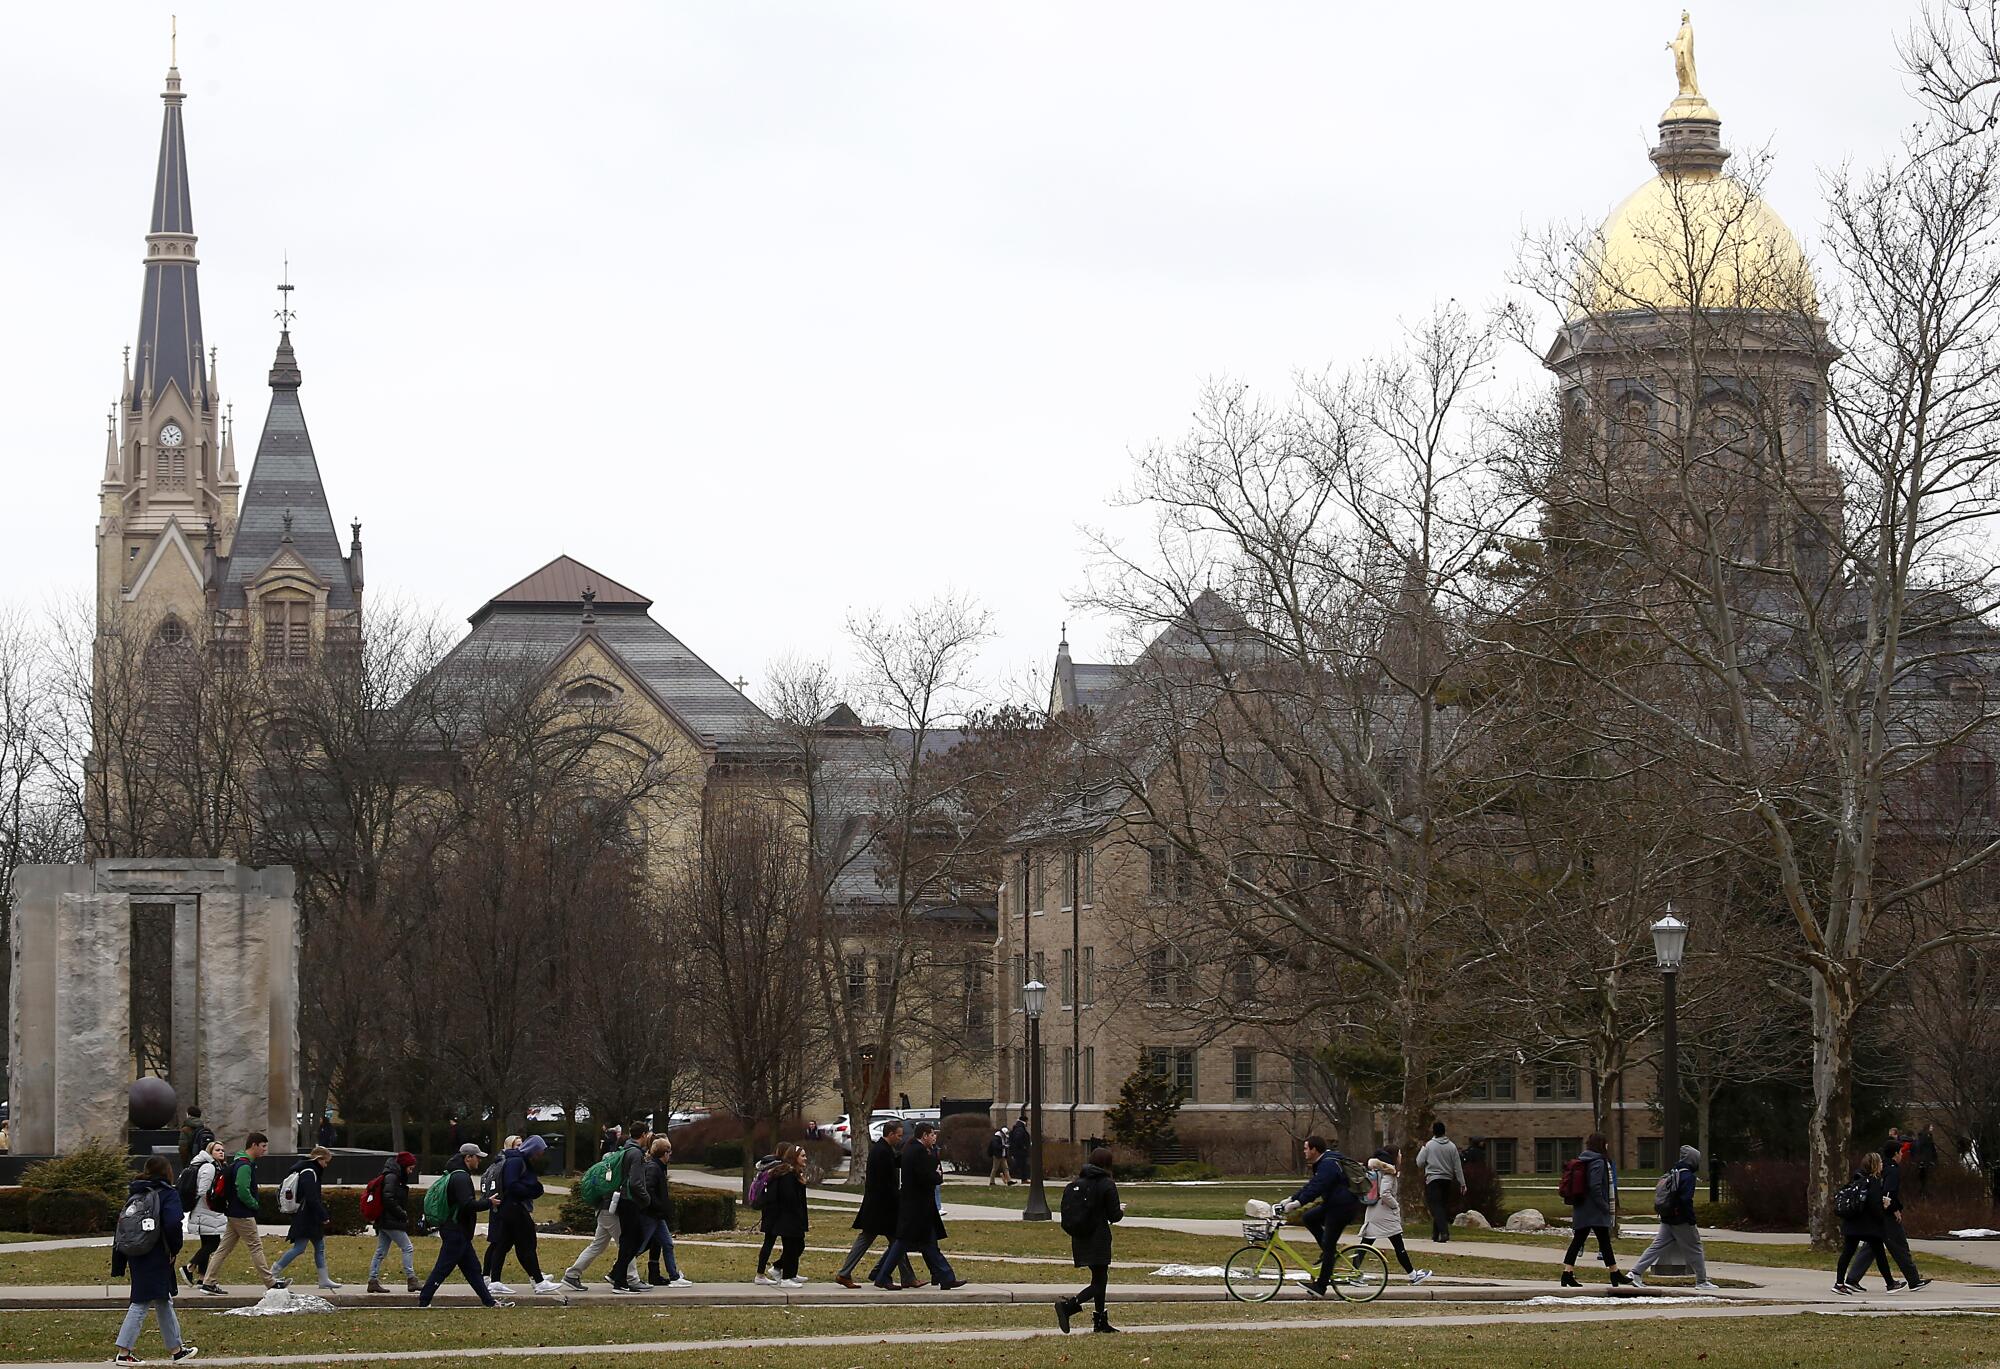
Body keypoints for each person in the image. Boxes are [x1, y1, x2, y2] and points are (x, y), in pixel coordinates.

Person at [111, 1155, 197, 1365]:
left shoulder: (137, 1192)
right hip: (157, 1253)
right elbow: (172, 1224)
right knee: (141, 1301)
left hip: (137, 1251)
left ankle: (176, 1349)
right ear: (167, 1172)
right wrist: (174, 1248)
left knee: (162, 1299)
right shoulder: (168, 1193)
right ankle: (124, 1352)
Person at [419, 1143, 512, 1308]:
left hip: (457, 1231)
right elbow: (467, 1204)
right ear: (468, 1157)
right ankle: (424, 1300)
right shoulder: (461, 1177)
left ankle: (489, 1302)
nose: (479, 1161)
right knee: (442, 1269)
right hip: (456, 1231)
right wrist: (488, 1203)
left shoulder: (455, 1174)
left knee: (473, 1270)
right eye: (477, 1157)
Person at [875, 1121, 964, 1290]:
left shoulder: (911, 1148)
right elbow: (927, 1177)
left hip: (917, 1207)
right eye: (932, 1134)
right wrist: (938, 1176)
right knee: (902, 1243)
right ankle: (882, 1275)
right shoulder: (919, 1152)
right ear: (924, 1135)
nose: (934, 1137)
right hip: (917, 1208)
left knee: (928, 1243)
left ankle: (946, 1277)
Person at [1273, 1135, 1361, 1298]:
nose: (1304, 1151)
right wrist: (1292, 1198)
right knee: (1309, 1218)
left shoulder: (1328, 1164)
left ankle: (1320, 1286)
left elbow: (1318, 1188)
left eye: (1306, 1148)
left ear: (1314, 1149)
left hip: (1343, 1207)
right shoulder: (1325, 1161)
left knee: (1328, 1244)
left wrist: (1298, 1203)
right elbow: (1312, 1185)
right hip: (1334, 1204)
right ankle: (1330, 1252)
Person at [836, 1119, 915, 1289]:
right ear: (891, 1134)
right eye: (899, 1136)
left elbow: (896, 1163)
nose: (900, 1139)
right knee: (889, 1240)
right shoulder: (881, 1151)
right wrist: (899, 1199)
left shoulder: (884, 1149)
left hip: (880, 1206)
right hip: (881, 1207)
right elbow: (885, 1182)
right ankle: (848, 1273)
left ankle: (906, 1276)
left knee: (893, 1241)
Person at [1054, 1145, 1124, 1334]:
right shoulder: (1107, 1184)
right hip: (1098, 1238)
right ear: (1108, 1164)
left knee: (1099, 1278)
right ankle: (1069, 1306)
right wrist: (1122, 1210)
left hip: (1080, 1237)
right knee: (1099, 1282)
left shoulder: (1079, 1182)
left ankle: (1100, 1321)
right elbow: (1115, 1215)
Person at [1628, 1145, 1716, 1291]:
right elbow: (1686, 1200)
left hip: (1667, 1216)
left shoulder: (1673, 1172)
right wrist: (1691, 1219)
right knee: (1696, 1248)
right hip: (1681, 1219)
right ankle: (1701, 1281)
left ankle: (1635, 1273)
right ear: (1692, 1160)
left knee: (1657, 1246)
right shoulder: (1688, 1176)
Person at [561, 1124, 636, 1292]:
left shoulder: (609, 1161)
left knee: (598, 1245)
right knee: (626, 1244)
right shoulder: (621, 1162)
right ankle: (631, 1277)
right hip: (610, 1209)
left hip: (603, 1208)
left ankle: (572, 1275)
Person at [482, 1135, 558, 1296]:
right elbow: (512, 1184)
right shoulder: (517, 1161)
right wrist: (533, 1190)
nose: (541, 1154)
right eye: (540, 1151)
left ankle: (495, 1281)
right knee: (527, 1243)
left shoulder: (514, 1160)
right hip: (515, 1208)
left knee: (503, 1244)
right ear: (534, 1149)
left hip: (508, 1208)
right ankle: (538, 1281)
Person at [202, 1132, 274, 1293]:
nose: (265, 1150)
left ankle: (208, 1282)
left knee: (223, 1249)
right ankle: (271, 1283)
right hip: (243, 1213)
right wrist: (254, 1204)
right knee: (256, 1247)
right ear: (254, 1145)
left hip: (233, 1212)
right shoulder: (245, 1166)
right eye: (263, 1146)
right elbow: (242, 1190)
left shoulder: (238, 1162)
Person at [1559, 1133, 1631, 1288]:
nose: (1608, 1146)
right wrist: (1604, 1206)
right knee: (1602, 1241)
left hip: (1583, 1207)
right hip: (1594, 1210)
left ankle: (1568, 1273)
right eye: (1606, 1143)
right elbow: (1595, 1186)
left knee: (1583, 1240)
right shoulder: (1598, 1162)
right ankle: (1614, 1273)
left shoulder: (1585, 1159)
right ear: (1601, 1144)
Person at [1361, 1146, 1433, 1286]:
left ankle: (1354, 1272)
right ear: (1394, 1156)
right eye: (1400, 1154)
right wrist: (1395, 1205)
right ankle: (1413, 1275)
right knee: (1398, 1244)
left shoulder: (1376, 1169)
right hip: (1385, 1214)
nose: (1401, 1157)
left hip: (1373, 1211)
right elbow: (1385, 1193)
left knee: (1366, 1244)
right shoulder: (1389, 1171)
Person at [269, 1147, 339, 1290]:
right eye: (326, 1162)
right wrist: (323, 1216)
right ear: (319, 1159)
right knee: (299, 1248)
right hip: (307, 1216)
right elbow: (312, 1198)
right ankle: (272, 1272)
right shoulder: (309, 1172)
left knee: (319, 1247)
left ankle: (324, 1279)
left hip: (308, 1215)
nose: (326, 1165)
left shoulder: (305, 1170)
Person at [1836, 1150, 1900, 1294]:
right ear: (1876, 1165)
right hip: (1868, 1226)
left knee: (1848, 1253)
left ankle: (1839, 1282)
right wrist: (1884, 1206)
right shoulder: (1874, 1182)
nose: (1883, 1165)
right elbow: (1874, 1206)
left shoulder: (1858, 1178)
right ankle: (1890, 1283)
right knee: (1879, 1253)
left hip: (1853, 1223)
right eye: (1881, 1163)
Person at [607, 1121, 656, 1293]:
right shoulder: (636, 1154)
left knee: (630, 1240)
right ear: (643, 1135)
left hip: (624, 1200)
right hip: (630, 1201)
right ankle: (618, 1279)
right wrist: (646, 1199)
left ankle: (617, 1274)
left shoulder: (626, 1149)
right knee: (634, 1240)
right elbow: (636, 1182)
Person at [1878, 1142, 1930, 1290]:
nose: (1902, 1155)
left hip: (1877, 1213)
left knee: (1872, 1247)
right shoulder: (1893, 1170)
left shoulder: (1882, 1167)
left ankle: (1851, 1279)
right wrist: (1894, 1209)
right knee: (1900, 1246)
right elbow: (1889, 1193)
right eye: (1900, 1152)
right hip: (1887, 1214)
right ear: (1895, 1153)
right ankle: (1914, 1280)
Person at [642, 1136, 692, 1288]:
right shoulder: (653, 1168)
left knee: (668, 1244)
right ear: (664, 1153)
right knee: (640, 1246)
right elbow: (649, 1190)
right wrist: (659, 1206)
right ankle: (618, 1271)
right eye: (669, 1152)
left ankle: (674, 1276)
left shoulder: (658, 1168)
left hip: (657, 1215)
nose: (670, 1155)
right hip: (652, 1215)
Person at [758, 1143, 811, 1288]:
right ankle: (786, 1277)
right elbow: (789, 1198)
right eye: (802, 1156)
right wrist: (795, 1215)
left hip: (794, 1217)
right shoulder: (788, 1174)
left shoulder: (794, 1173)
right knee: (791, 1247)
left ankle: (784, 1271)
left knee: (798, 1245)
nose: (805, 1158)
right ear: (794, 1157)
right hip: (788, 1218)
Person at [368, 1151, 420, 1293]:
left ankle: (372, 1280)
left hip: (384, 1220)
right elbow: (388, 1198)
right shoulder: (393, 1178)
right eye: (410, 1168)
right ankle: (411, 1279)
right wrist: (402, 1214)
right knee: (407, 1247)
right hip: (391, 1220)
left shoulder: (392, 1176)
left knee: (380, 1251)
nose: (411, 1171)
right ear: (403, 1166)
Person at [179, 1140, 228, 1292]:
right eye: (217, 1150)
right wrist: (216, 1198)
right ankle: (190, 1267)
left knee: (207, 1243)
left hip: (206, 1211)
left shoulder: (215, 1166)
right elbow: (203, 1190)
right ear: (210, 1152)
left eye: (222, 1150)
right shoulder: (209, 1167)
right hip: (206, 1211)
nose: (221, 1152)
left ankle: (202, 1277)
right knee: (213, 1244)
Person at [1416, 1123, 1466, 1243]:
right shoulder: (1452, 1146)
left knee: (1436, 1206)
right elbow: (1457, 1166)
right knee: (1441, 1206)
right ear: (1444, 1132)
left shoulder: (1429, 1145)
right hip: (1447, 1180)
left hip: (1433, 1179)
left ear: (1433, 1132)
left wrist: (1423, 1148)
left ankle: (1444, 1232)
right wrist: (1462, 1183)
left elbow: (1419, 1162)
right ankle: (1435, 1233)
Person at [1915, 1126, 1939, 1198]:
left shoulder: (1919, 1140)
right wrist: (1934, 1160)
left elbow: (1917, 1150)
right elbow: (1932, 1151)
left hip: (1922, 1161)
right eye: (1931, 1128)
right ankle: (1925, 1194)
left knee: (1922, 1179)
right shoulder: (1928, 1140)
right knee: (1926, 1178)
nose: (1932, 1129)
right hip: (1927, 1161)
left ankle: (1922, 1193)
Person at [1007, 1116, 1031, 1184]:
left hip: (1018, 1151)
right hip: (1020, 1151)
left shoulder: (1017, 1127)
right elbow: (1018, 1138)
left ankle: (1024, 1179)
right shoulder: (1020, 1129)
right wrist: (1023, 1146)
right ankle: (1007, 1175)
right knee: (1021, 1165)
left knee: (1021, 1165)